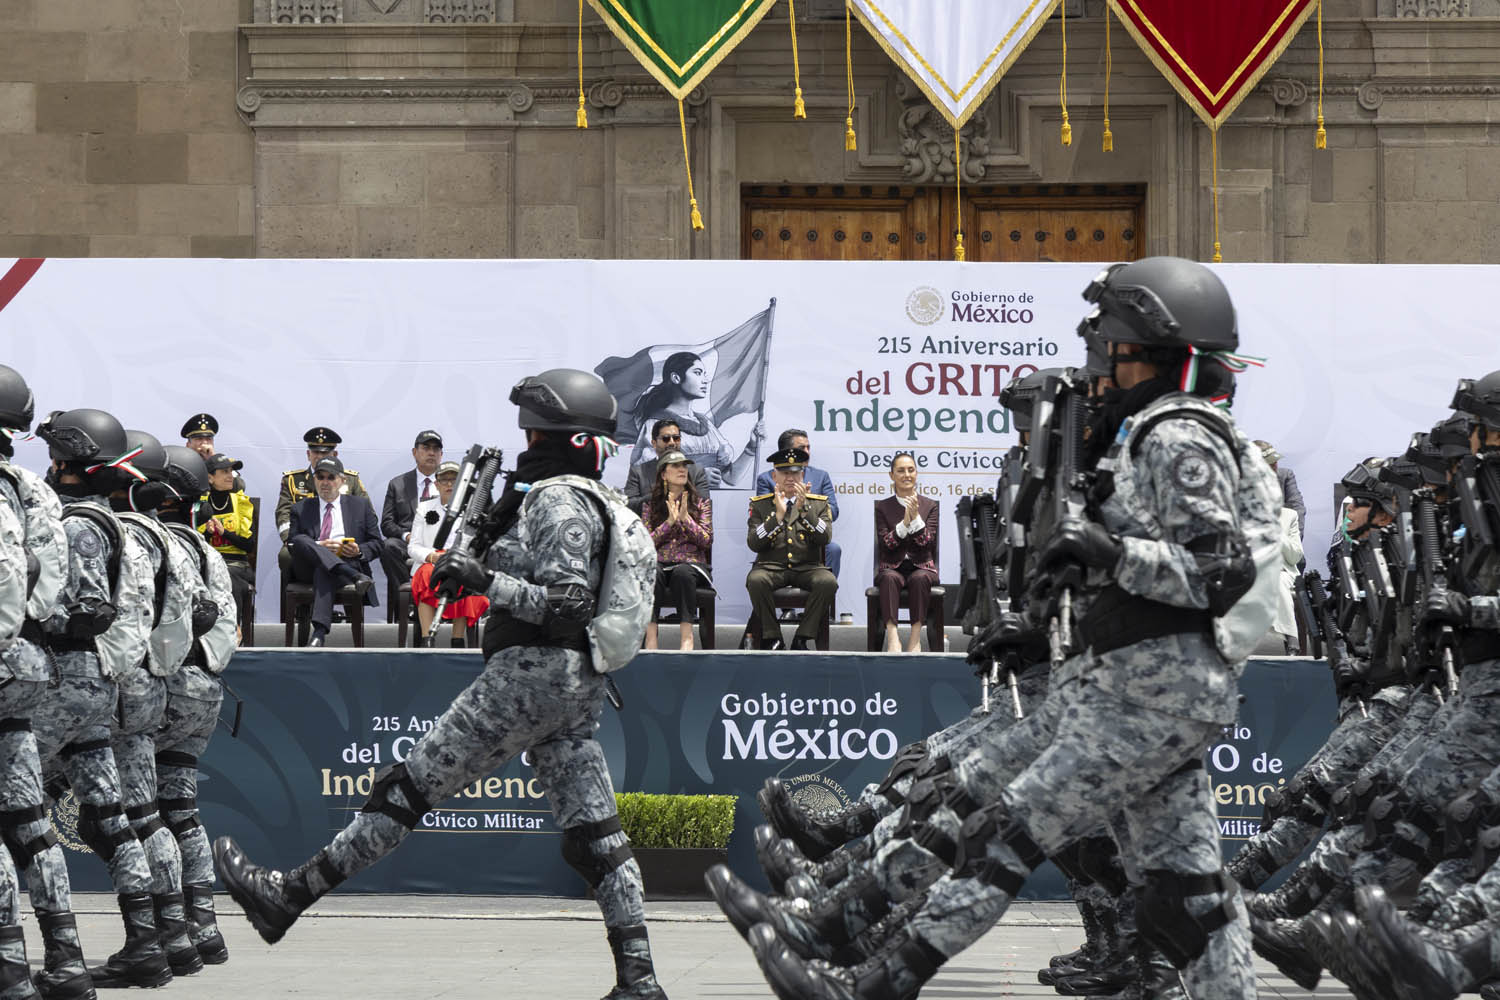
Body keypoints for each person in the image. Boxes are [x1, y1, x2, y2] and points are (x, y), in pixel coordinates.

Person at [735, 257, 1278, 999]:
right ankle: (839, 927)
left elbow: (1220, 569)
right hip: (1142, 686)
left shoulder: (1177, 435)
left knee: (1006, 832)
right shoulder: (1144, 434)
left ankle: (866, 972)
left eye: (1108, 351)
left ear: (1148, 353)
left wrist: (1111, 553)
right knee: (1193, 891)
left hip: (1151, 692)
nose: (1097, 369)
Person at [214, 368, 670, 1000]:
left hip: (529, 676)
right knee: (597, 833)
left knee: (409, 789)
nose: (525, 438)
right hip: (579, 683)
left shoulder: (556, 499)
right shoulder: (603, 502)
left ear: (553, 434)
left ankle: (288, 896)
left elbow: (564, 603)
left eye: (532, 428)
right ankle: (639, 978)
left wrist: (486, 580)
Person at [34, 408, 168, 991]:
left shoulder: (78, 526)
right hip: (99, 686)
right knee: (111, 821)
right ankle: (146, 943)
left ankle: (58, 957)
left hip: (66, 681)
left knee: (23, 820)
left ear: (69, 464)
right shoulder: (116, 525)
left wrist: (35, 619)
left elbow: (91, 609)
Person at [0, 365, 85, 1000]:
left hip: (1, 652)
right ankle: (65, 955)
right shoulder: (32, 487)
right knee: (30, 819)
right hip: (29, 662)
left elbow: (4, 572)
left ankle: (7, 967)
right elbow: (51, 583)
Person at [155, 444, 239, 968]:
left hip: (163, 688)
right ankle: (202, 927)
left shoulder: (156, 542)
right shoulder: (206, 548)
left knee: (136, 819)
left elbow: (156, 625)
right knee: (181, 811)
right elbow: (226, 626)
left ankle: (162, 936)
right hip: (206, 685)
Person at [745, 447, 836, 651]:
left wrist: (805, 511)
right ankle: (772, 636)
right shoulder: (761, 505)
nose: (790, 478)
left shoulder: (818, 504)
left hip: (807, 567)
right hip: (771, 567)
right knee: (755, 580)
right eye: (785, 473)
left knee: (828, 582)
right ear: (774, 476)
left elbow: (825, 537)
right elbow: (753, 542)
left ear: (802, 475)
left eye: (795, 473)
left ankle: (803, 636)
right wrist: (776, 517)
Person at [285, 457, 380, 647]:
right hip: (308, 567)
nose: (325, 482)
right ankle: (354, 576)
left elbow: (378, 543)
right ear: (314, 480)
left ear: (342, 481)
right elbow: (293, 545)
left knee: (325, 569)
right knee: (300, 539)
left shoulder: (360, 506)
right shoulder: (300, 508)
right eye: (320, 477)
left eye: (331, 477)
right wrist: (319, 546)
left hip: (346, 561)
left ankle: (319, 633)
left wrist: (358, 551)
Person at [632, 351, 764, 488]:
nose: (705, 380)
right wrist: (692, 475)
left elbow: (731, 478)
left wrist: (751, 446)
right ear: (676, 378)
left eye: (704, 374)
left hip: (707, 506)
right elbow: (644, 475)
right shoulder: (656, 424)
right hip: (672, 506)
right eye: (697, 372)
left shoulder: (706, 425)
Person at [408, 460, 488, 647]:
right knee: (427, 574)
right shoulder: (424, 508)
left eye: (454, 480)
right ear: (436, 484)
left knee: (463, 575)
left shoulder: (473, 510)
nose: (450, 485)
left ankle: (457, 639)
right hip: (433, 562)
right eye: (444, 480)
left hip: (461, 561)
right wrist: (432, 556)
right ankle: (428, 640)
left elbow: (479, 545)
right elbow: (413, 547)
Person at [641, 450, 712, 651]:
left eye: (684, 466)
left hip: (691, 565)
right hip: (659, 563)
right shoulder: (650, 505)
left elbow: (706, 541)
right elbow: (645, 544)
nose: (682, 469)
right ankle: (651, 637)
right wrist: (669, 522)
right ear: (663, 474)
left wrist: (685, 520)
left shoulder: (700, 503)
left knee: (682, 572)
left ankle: (687, 637)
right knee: (651, 571)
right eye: (675, 466)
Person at [873, 452, 938, 654]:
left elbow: (927, 543)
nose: (906, 474)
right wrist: (904, 524)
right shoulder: (882, 507)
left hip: (922, 566)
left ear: (916, 473)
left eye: (911, 470)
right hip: (892, 565)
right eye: (901, 471)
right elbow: (886, 545)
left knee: (919, 579)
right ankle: (893, 637)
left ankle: (915, 638)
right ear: (892, 475)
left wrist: (916, 519)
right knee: (889, 578)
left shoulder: (929, 505)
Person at [274, 426, 369, 551]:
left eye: (324, 453)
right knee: (286, 554)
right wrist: (289, 539)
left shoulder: (350, 480)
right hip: (305, 540)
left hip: (343, 542)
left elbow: (366, 514)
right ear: (308, 454)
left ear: (335, 455)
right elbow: (283, 514)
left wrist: (353, 544)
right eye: (315, 452)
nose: (319, 456)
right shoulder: (292, 480)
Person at [380, 430, 444, 606]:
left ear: (441, 455)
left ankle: (443, 602)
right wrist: (407, 536)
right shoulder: (398, 484)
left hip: (443, 541)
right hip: (409, 541)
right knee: (388, 546)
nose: (431, 453)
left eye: (436, 449)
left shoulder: (450, 483)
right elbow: (386, 523)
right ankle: (410, 599)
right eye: (426, 448)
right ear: (415, 452)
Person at [200, 453, 255, 624]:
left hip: (236, 564)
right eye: (224, 471)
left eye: (231, 471)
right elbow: (192, 543)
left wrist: (225, 533)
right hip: (208, 563)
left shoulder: (240, 501)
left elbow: (248, 545)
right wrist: (208, 533)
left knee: (227, 575)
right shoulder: (200, 503)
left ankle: (233, 629)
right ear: (210, 478)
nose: (230, 475)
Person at [624, 419, 710, 515]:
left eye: (676, 438)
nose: (672, 442)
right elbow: (628, 507)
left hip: (687, 527)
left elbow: (704, 510)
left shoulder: (696, 471)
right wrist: (659, 494)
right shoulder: (638, 472)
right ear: (654, 443)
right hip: (650, 528)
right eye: (666, 438)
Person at [182, 412, 244, 492]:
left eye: (208, 439)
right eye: (199, 439)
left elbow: (239, 486)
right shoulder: (182, 465)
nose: (204, 443)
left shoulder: (221, 463)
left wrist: (213, 460)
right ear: (188, 445)